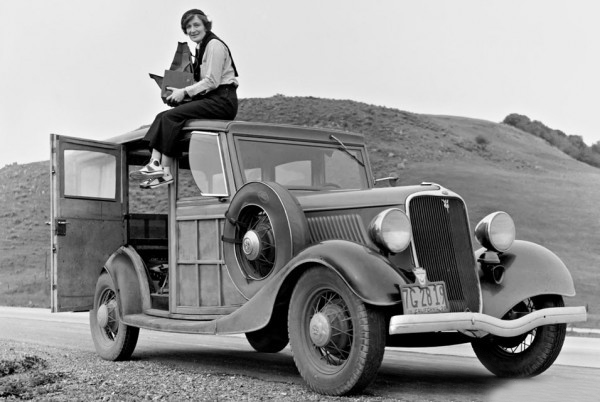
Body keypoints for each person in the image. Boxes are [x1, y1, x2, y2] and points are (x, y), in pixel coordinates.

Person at [130, 9, 239, 188]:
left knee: (170, 117)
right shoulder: (200, 47)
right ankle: (155, 164)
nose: (192, 30)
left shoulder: (214, 45)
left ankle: (164, 172)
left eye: (196, 25)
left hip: (222, 100)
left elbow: (212, 81)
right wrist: (178, 92)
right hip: (211, 98)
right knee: (162, 116)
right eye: (188, 27)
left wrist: (184, 92)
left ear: (206, 26)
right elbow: (202, 83)